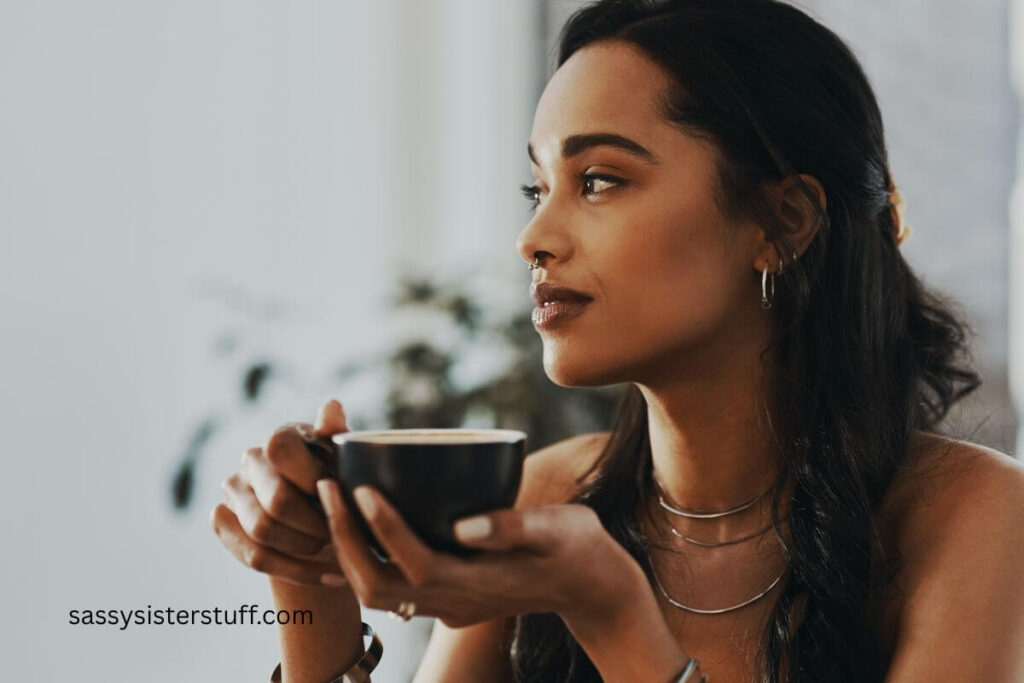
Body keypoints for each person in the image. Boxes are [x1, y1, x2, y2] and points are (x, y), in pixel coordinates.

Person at [210, 0, 1024, 680]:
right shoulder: (547, 495)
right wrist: (310, 580)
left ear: (782, 222)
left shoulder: (974, 518)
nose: (533, 235)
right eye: (539, 185)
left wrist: (611, 610)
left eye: (598, 180)